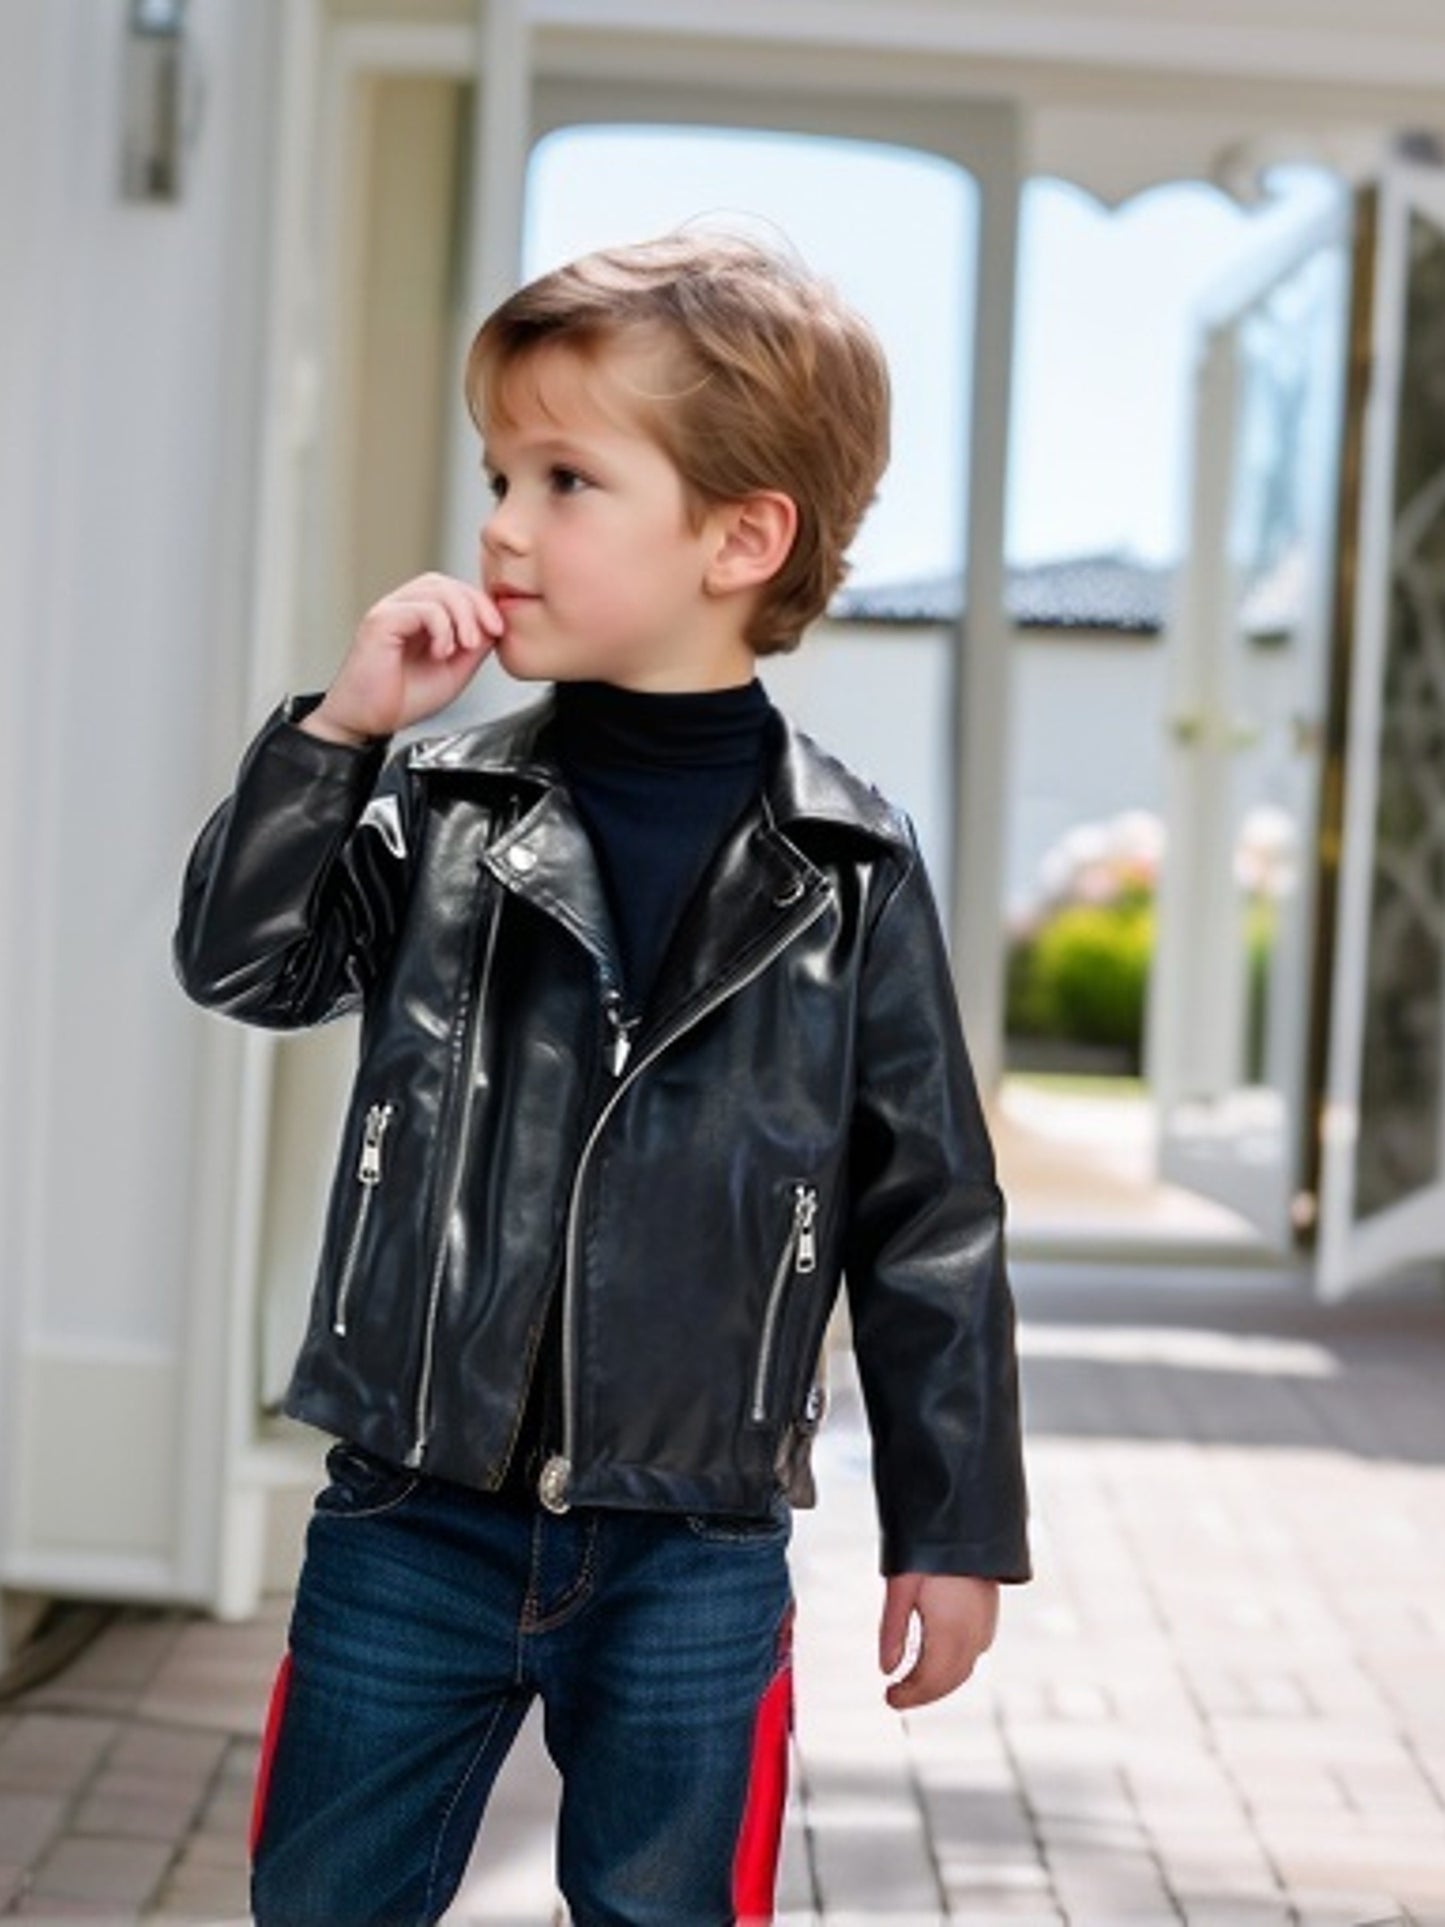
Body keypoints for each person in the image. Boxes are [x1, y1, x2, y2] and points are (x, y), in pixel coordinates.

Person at [175, 229, 1030, 1927]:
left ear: (741, 534)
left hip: (695, 1540)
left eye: (565, 477)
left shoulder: (849, 867)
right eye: (499, 471)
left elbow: (928, 1212)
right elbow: (246, 964)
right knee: (324, 1899)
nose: (499, 522)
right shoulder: (440, 808)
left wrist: (955, 1524)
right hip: (410, 1510)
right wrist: (338, 740)